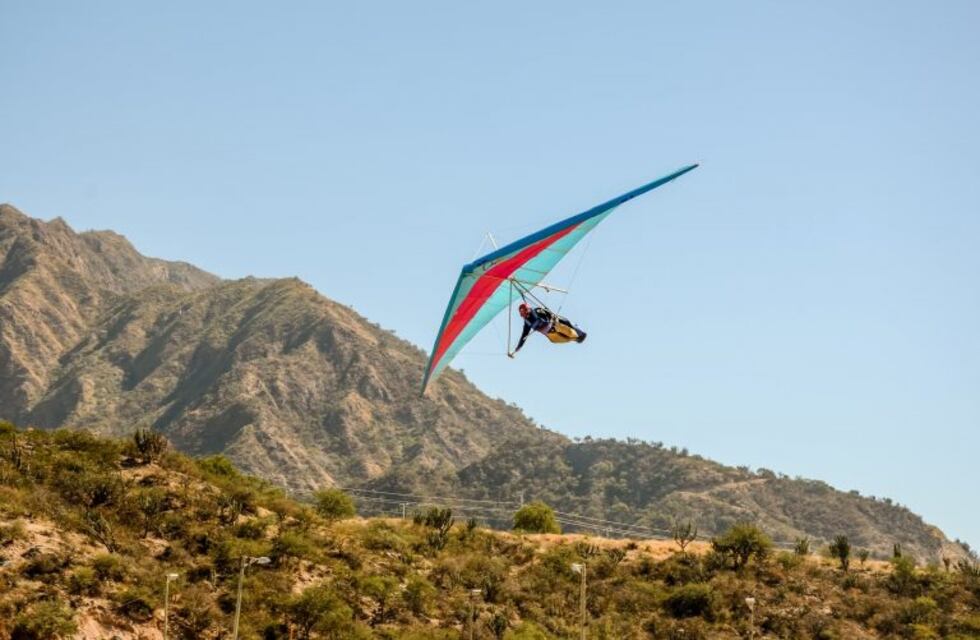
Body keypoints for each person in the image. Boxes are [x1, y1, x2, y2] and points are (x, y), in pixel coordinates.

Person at [509, 302, 586, 357]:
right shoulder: (527, 323)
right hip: (551, 336)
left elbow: (552, 315)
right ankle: (575, 338)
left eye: (526, 314)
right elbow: (524, 336)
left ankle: (578, 332)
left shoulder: (537, 311)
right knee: (568, 339)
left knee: (568, 328)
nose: (525, 316)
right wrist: (518, 348)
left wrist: (553, 318)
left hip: (555, 326)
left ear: (528, 310)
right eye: (523, 315)